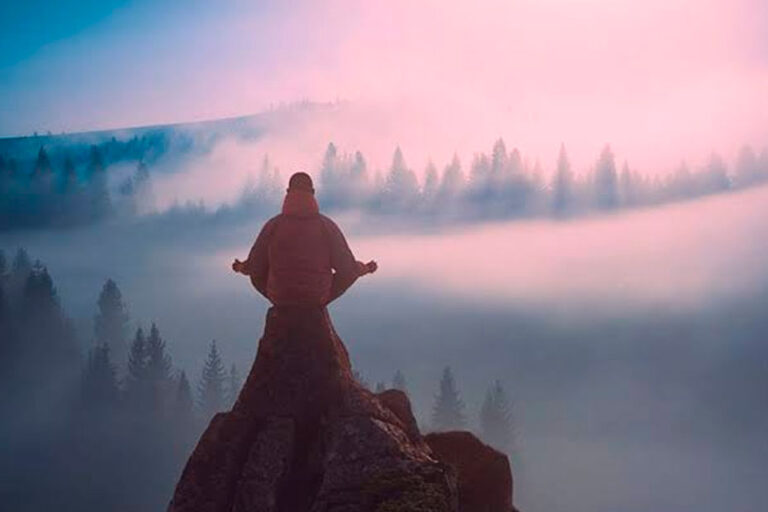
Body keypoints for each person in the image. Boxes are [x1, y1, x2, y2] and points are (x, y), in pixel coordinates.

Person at [232, 172, 377, 305]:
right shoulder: (326, 226)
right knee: (349, 272)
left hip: (280, 296)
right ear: (312, 193)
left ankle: (279, 296)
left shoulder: (273, 225)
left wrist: (242, 267)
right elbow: (347, 268)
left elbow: (255, 266)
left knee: (256, 273)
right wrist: (365, 268)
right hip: (316, 296)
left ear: (288, 192)